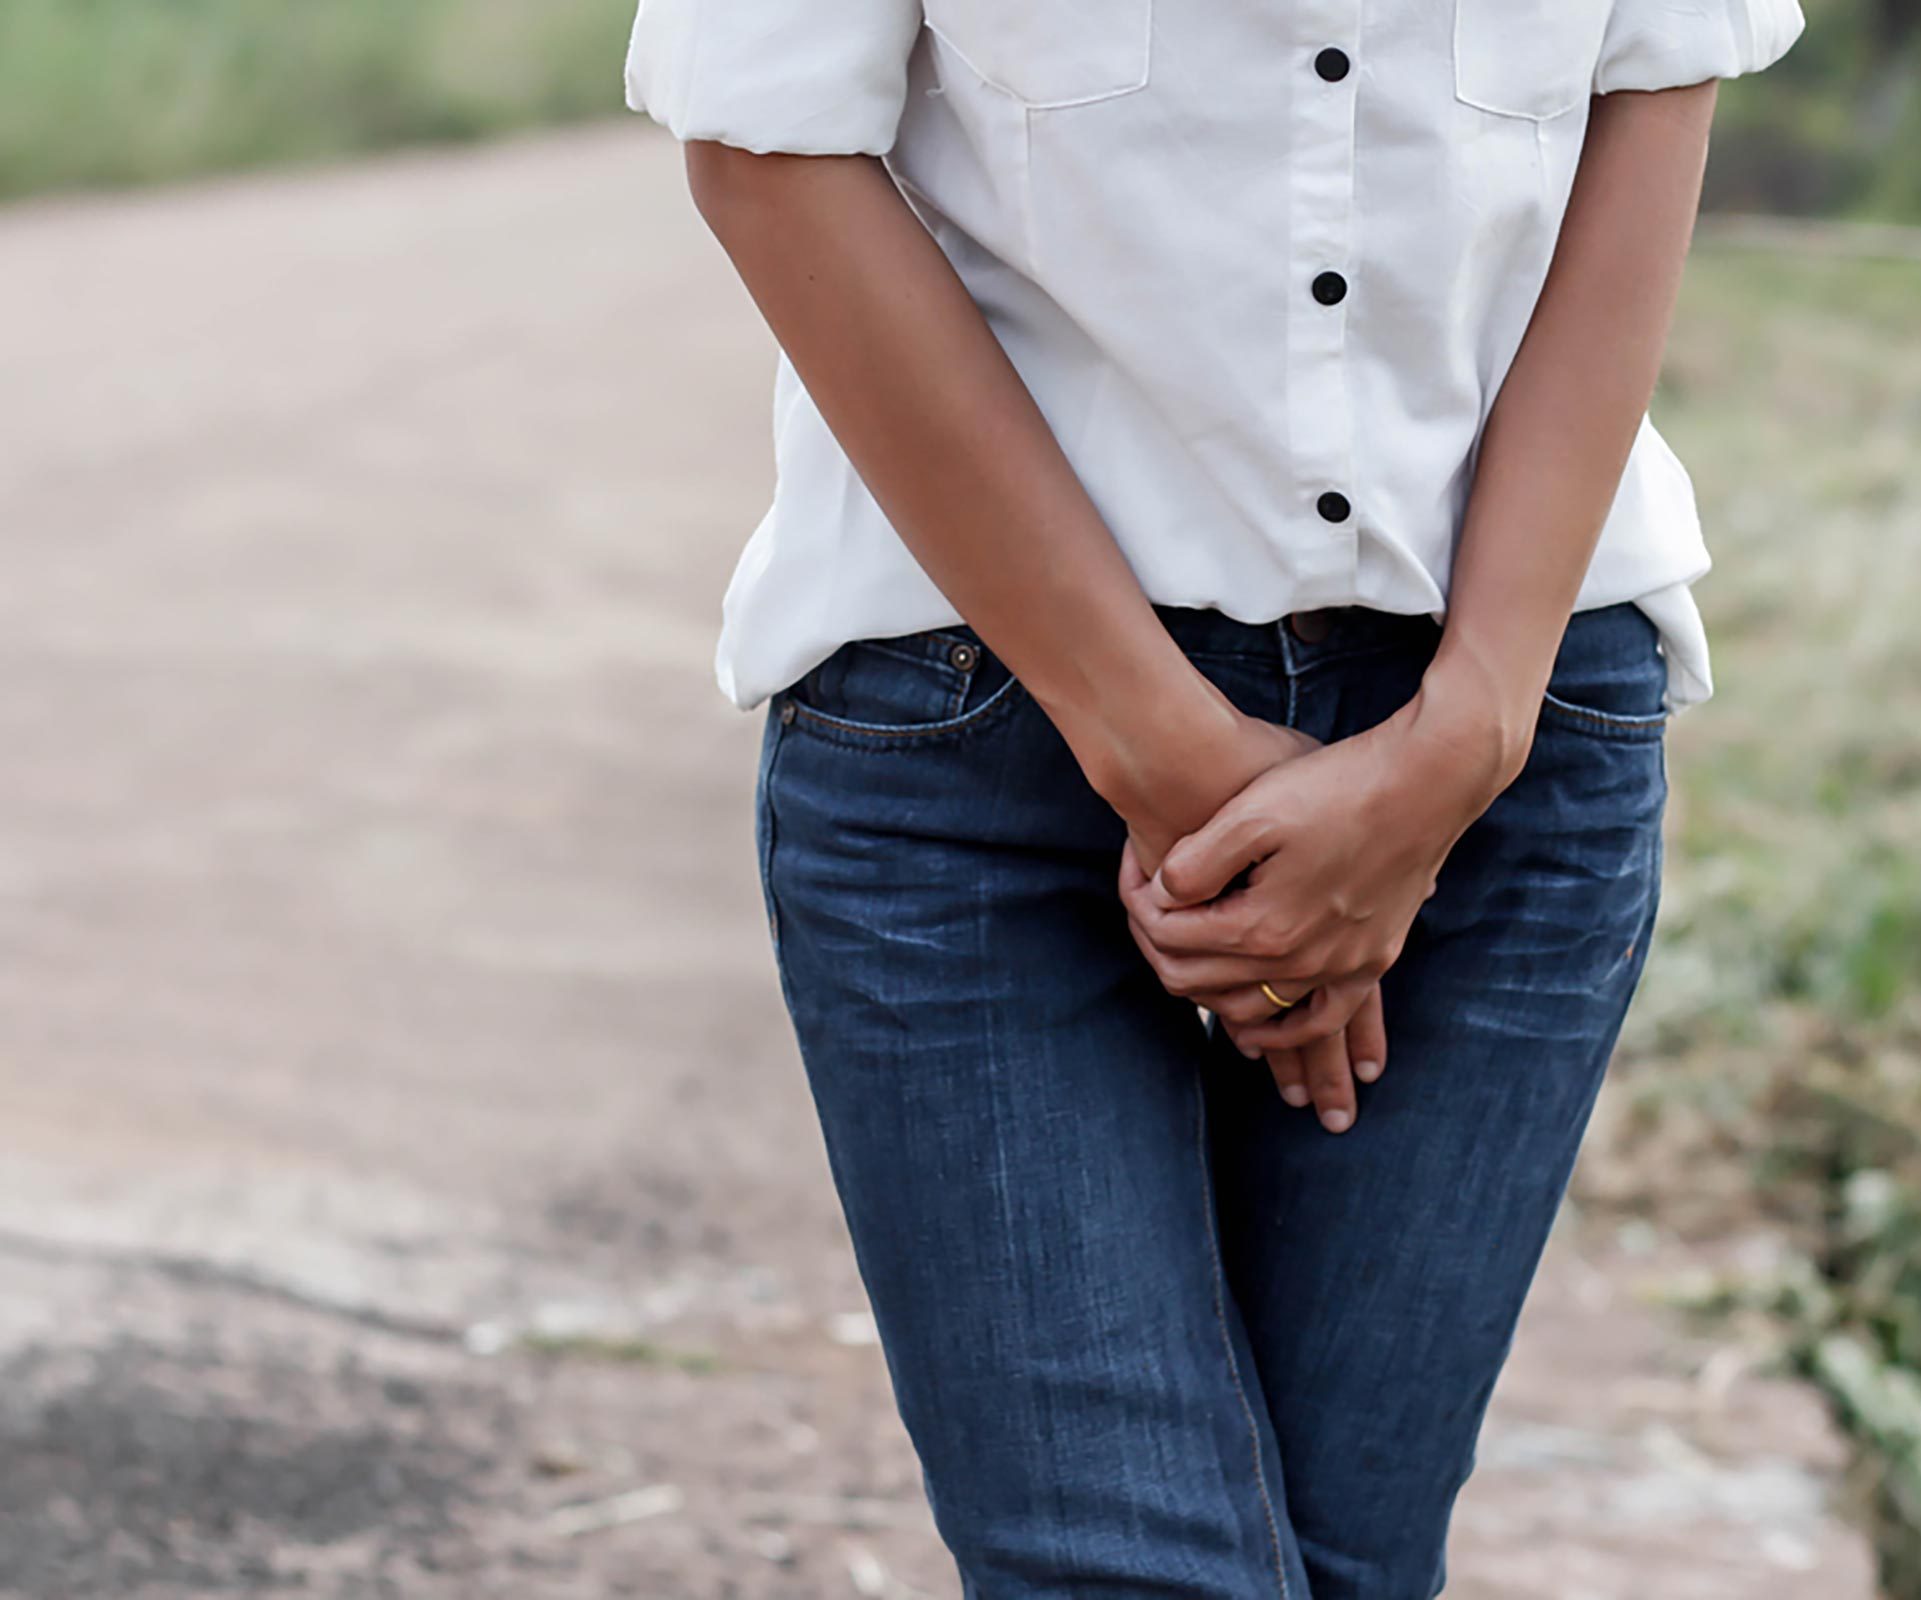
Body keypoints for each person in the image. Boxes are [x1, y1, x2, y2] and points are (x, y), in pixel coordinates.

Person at [626, 0, 1802, 1592]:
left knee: (1345, 1566)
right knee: (1136, 1569)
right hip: (980, 741)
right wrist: (1172, 762)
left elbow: (1656, 94)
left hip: (1506, 734)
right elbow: (762, 144)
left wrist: (1461, 743)